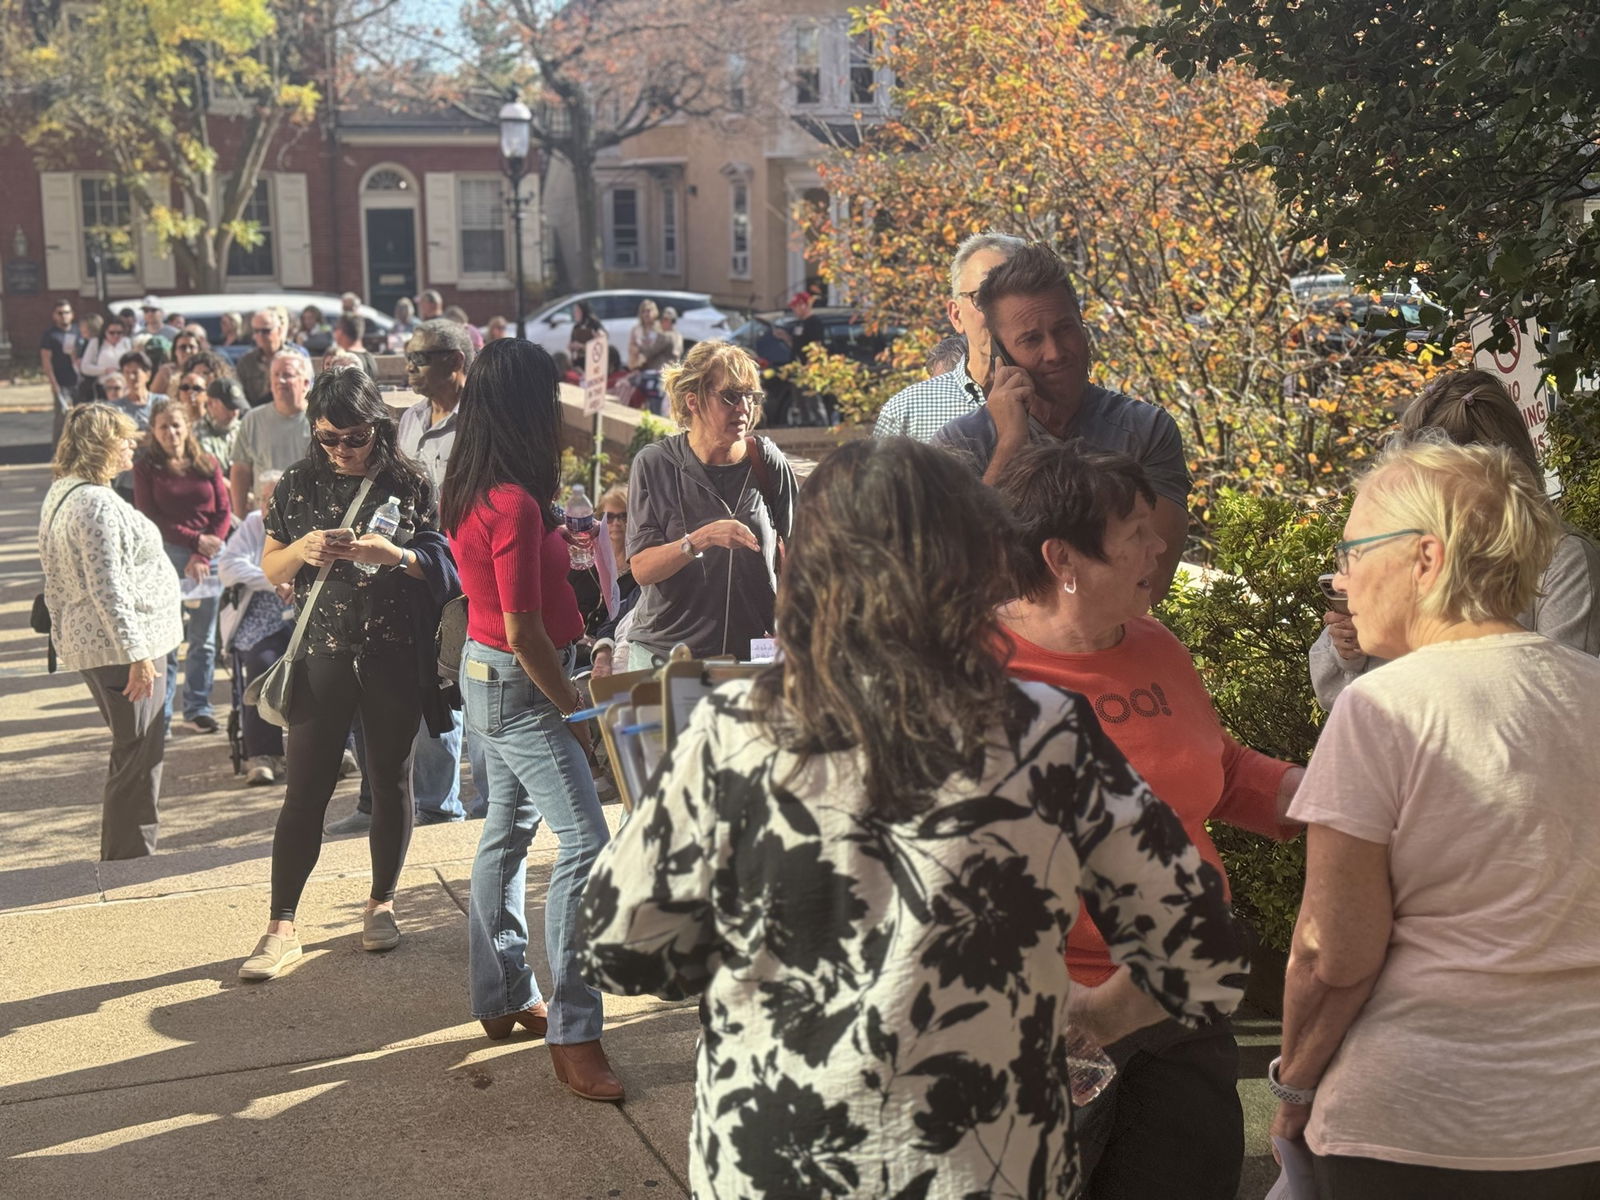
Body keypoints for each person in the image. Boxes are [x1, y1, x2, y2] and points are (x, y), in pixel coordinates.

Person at [576, 436, 1250, 1196]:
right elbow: (1199, 943)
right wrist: (1088, 1018)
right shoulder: (1045, 729)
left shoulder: (731, 729)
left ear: (806, 573)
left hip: (773, 1149)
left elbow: (624, 949)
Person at [1269, 438, 1600, 1197]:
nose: (1340, 579)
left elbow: (1331, 955)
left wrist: (1292, 1091)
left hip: (1421, 1129)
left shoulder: (1384, 705)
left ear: (1427, 558)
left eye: (1352, 553)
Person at [997, 442, 1304, 1196]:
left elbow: (1218, 767)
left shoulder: (1155, 645)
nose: (1159, 545)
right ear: (1062, 557)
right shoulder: (973, 670)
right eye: (1135, 532)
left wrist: (1337, 792)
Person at [441, 338, 620, 1100]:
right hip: (520, 682)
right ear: (524, 407)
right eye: (549, 397)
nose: (559, 410)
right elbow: (524, 629)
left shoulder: (474, 483)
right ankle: (575, 1031)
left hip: (487, 677)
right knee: (587, 841)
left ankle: (505, 994)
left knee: (506, 833)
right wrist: (573, 704)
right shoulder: (511, 501)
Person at [237, 367, 451, 981]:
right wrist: (300, 550)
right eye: (329, 438)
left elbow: (442, 564)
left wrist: (397, 556)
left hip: (391, 655)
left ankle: (381, 903)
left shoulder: (409, 482)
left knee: (390, 779)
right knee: (305, 789)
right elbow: (271, 566)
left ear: (377, 429)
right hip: (321, 655)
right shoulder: (296, 485)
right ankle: (282, 924)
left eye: (354, 438)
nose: (341, 450)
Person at [1309, 369, 1600, 708]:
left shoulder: (1561, 559)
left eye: (1434, 477)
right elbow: (1346, 695)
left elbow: (1563, 696)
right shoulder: (1417, 547)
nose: (1422, 493)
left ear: (1500, 474)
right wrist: (1352, 650)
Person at [931, 242, 1191, 598]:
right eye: (1031, 340)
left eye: (1065, 329)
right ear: (1002, 355)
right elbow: (959, 576)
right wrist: (1010, 445)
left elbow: (1150, 583)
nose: (1054, 352)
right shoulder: (960, 442)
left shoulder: (1145, 430)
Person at [39, 405, 182, 859]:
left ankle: (129, 849)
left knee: (135, 752)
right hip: (122, 649)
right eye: (122, 438)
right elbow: (108, 588)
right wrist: (138, 655)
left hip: (106, 645)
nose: (131, 444)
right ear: (101, 445)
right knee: (138, 756)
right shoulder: (94, 503)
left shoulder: (66, 491)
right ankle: (129, 856)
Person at [625, 341, 796, 669]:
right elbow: (642, 569)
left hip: (749, 662)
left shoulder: (766, 461)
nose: (743, 407)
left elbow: (798, 553)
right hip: (667, 660)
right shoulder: (656, 464)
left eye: (750, 395)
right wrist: (701, 539)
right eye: (730, 396)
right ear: (694, 402)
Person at [383, 316, 478, 828]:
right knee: (432, 686)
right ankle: (439, 808)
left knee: (477, 684)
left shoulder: (484, 421)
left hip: (474, 573)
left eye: (420, 359)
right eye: (409, 356)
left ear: (456, 363)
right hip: (422, 570)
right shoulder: (412, 419)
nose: (410, 368)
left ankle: (491, 808)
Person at [132, 399, 231, 734]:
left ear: (187, 427)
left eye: (176, 425)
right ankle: (163, 716)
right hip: (167, 557)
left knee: (203, 640)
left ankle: (198, 706)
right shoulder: (147, 468)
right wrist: (193, 542)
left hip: (207, 559)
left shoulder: (207, 462)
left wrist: (203, 553)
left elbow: (223, 511)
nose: (171, 432)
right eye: (163, 427)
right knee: (168, 640)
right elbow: (149, 517)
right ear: (154, 432)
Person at [874, 232, 1025, 442]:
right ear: (956, 315)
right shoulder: (907, 413)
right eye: (984, 297)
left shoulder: (1065, 402)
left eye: (1015, 296)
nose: (1002, 312)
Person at [220, 471, 295, 786]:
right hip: (260, 622)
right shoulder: (252, 525)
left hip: (302, 618)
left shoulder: (306, 521)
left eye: (275, 498)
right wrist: (272, 577)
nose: (269, 505)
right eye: (264, 499)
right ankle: (264, 755)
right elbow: (228, 567)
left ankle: (340, 748)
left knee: (323, 668)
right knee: (261, 666)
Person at [231, 350, 312, 515]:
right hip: (265, 518)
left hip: (308, 516)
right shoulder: (253, 419)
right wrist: (240, 515)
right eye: (275, 375)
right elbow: (241, 469)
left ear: (305, 383)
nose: (280, 380)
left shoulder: (321, 421)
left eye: (288, 375)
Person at [582, 484, 639, 681]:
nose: (616, 523)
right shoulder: (585, 559)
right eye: (610, 517)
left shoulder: (641, 567)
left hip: (611, 646)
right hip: (578, 643)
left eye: (623, 516)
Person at [236, 308, 308, 407]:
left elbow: (307, 391)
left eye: (266, 331)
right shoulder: (246, 362)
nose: (260, 335)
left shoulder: (295, 359)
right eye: (256, 331)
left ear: (279, 330)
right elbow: (241, 398)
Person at [41, 298, 80, 443]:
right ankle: (57, 449)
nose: (64, 315)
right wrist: (53, 384)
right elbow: (46, 360)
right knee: (62, 416)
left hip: (79, 381)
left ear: (72, 314)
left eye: (67, 312)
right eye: (60, 313)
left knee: (80, 416)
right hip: (61, 382)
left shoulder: (78, 331)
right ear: (54, 315)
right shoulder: (50, 335)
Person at [197, 377, 248, 482]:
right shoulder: (198, 434)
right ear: (210, 404)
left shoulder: (244, 429)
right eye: (229, 407)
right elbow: (213, 475)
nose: (234, 413)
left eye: (237, 408)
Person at [112, 350, 164, 432]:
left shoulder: (161, 402)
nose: (131, 377)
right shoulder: (117, 408)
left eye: (135, 372)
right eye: (127, 373)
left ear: (148, 375)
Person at [75, 313, 122, 404]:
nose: (115, 335)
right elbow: (85, 366)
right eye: (112, 333)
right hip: (101, 388)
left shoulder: (126, 342)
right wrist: (104, 370)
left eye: (119, 333)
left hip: (122, 387)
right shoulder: (95, 343)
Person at [151, 327, 205, 397]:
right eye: (183, 347)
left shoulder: (205, 371)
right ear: (175, 351)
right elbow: (154, 399)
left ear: (198, 350)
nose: (188, 351)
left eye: (191, 347)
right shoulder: (167, 372)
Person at [625, 299, 662, 370]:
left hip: (656, 364)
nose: (646, 314)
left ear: (654, 312)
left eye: (648, 311)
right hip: (639, 365)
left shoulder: (660, 327)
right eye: (643, 311)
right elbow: (631, 346)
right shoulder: (636, 329)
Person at [566, 299, 603, 364]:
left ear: (583, 311)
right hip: (579, 361)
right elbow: (572, 342)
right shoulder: (576, 326)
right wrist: (571, 346)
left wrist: (582, 346)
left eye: (577, 311)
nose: (575, 314)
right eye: (574, 311)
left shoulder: (593, 324)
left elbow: (601, 341)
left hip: (592, 360)